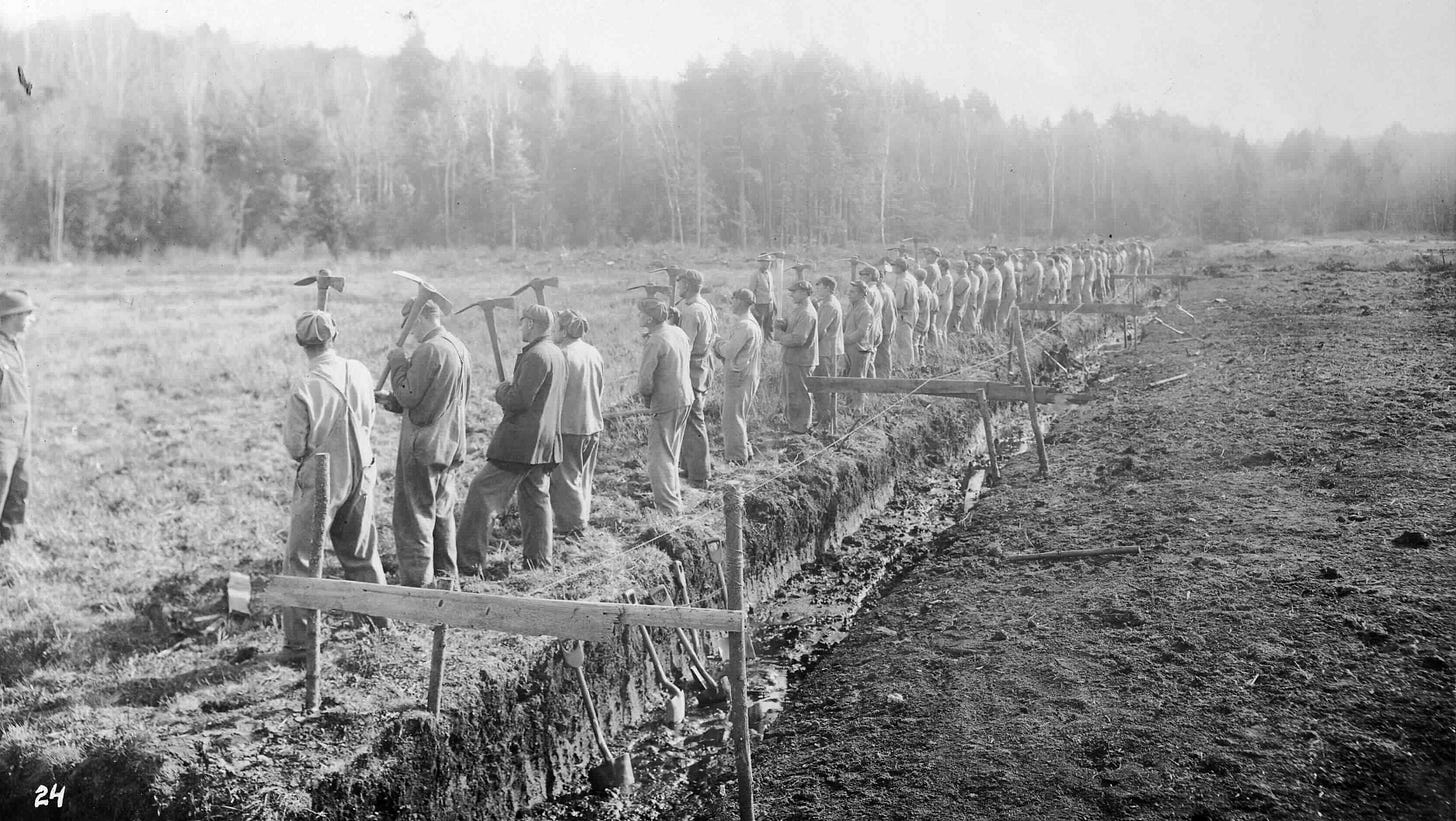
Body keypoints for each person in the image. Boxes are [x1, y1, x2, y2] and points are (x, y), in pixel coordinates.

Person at [281, 311, 389, 661]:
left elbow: (295, 446)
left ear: (301, 343)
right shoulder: (358, 370)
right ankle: (378, 625)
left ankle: (299, 644)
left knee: (301, 560)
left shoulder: (305, 387)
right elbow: (370, 418)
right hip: (363, 468)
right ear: (334, 336)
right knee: (361, 551)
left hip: (324, 474)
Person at [457, 304, 565, 573]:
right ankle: (539, 563)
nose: (520, 328)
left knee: (481, 494)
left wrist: (501, 391)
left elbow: (519, 400)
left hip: (520, 444)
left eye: (522, 323)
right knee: (535, 499)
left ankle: (470, 565)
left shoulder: (537, 355)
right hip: (544, 443)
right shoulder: (556, 353)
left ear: (530, 324)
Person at [378, 298, 471, 588]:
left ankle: (417, 586)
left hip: (423, 448)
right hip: (450, 444)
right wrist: (391, 403)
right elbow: (434, 397)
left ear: (419, 319)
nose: (405, 329)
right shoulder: (457, 346)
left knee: (414, 516)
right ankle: (446, 579)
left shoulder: (429, 349)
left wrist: (397, 364)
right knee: (442, 514)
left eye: (407, 323)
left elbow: (409, 394)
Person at [549, 309, 603, 537]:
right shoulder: (593, 352)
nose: (552, 332)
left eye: (555, 328)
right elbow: (600, 388)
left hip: (568, 427)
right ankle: (582, 519)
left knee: (565, 480)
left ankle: (572, 529)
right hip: (592, 423)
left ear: (563, 330)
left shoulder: (561, 354)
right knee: (583, 478)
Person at [637, 298, 693, 514]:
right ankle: (674, 501)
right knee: (672, 453)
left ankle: (668, 509)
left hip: (666, 402)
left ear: (649, 318)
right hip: (684, 397)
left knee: (658, 459)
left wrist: (647, 397)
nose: (638, 317)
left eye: (641, 313)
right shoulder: (677, 332)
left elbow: (644, 381)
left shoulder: (655, 340)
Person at [0, 291, 36, 547]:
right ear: (11, 316)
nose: (31, 320)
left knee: (18, 489)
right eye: (27, 314)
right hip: (2, 431)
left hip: (21, 430)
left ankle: (11, 548)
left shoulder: (14, 345)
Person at [711, 289, 763, 464]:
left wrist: (717, 343)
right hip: (746, 374)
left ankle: (736, 458)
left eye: (733, 300)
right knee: (738, 415)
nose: (731, 303)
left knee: (732, 418)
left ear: (740, 302)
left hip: (740, 376)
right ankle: (744, 452)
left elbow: (730, 351)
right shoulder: (751, 323)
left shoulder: (744, 326)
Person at [675, 269, 715, 489]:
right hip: (702, 366)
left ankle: (699, 475)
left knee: (694, 420)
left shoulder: (691, 312)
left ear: (687, 286)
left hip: (691, 368)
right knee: (691, 420)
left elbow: (685, 346)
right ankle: (692, 467)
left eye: (680, 282)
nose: (678, 286)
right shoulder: (704, 305)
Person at [775, 280, 818, 434]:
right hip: (792, 359)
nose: (791, 294)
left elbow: (799, 339)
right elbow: (793, 329)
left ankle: (801, 427)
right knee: (791, 393)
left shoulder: (807, 312)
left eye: (794, 292)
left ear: (804, 293)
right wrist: (784, 324)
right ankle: (793, 424)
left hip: (800, 361)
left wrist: (780, 335)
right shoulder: (799, 310)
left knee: (800, 393)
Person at [811, 276, 843, 428]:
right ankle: (823, 418)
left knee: (822, 385)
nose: (817, 289)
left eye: (820, 286)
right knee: (822, 385)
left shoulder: (829, 305)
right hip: (827, 349)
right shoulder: (827, 303)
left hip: (826, 350)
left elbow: (820, 330)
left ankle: (824, 421)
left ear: (828, 288)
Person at [841, 281, 876, 410]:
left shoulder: (866, 310)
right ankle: (849, 407)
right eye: (849, 291)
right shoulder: (852, 307)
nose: (848, 294)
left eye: (852, 292)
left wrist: (844, 340)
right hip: (849, 348)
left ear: (862, 294)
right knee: (849, 378)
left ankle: (858, 410)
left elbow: (861, 332)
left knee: (858, 381)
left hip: (860, 350)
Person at [867, 265, 896, 379]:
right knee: (884, 353)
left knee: (883, 355)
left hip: (884, 327)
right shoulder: (887, 289)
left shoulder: (881, 292)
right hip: (888, 326)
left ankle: (884, 380)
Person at [890, 258, 918, 370]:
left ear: (899, 268)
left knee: (904, 344)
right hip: (911, 313)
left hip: (903, 315)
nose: (892, 268)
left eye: (894, 266)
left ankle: (906, 369)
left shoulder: (902, 282)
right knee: (907, 343)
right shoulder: (910, 278)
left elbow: (899, 303)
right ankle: (908, 367)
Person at [748, 254, 777, 338]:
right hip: (759, 305)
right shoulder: (755, 275)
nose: (767, 264)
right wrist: (752, 307)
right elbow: (751, 292)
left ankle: (768, 345)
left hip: (769, 305)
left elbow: (772, 291)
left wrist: (775, 306)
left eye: (769, 262)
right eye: (765, 262)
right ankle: (757, 345)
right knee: (758, 326)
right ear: (760, 263)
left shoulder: (769, 274)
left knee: (769, 327)